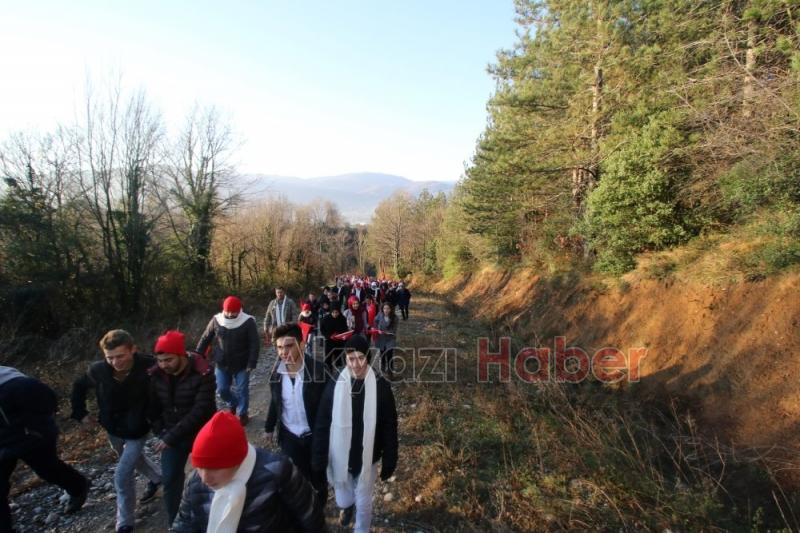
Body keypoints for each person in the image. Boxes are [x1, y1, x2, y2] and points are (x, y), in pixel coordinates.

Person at [70, 329, 162, 533]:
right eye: (110, 357)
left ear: (133, 350)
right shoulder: (98, 370)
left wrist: (159, 421)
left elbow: (167, 387)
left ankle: (125, 523)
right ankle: (158, 478)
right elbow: (79, 386)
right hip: (112, 426)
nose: (115, 362)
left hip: (139, 427)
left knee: (122, 474)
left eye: (120, 356)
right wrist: (81, 413)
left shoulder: (149, 366)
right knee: (132, 459)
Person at [171, 411, 325, 532]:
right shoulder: (194, 483)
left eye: (215, 468)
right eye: (199, 467)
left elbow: (310, 515)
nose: (205, 478)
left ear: (238, 460)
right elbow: (183, 525)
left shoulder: (277, 471)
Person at [312, 336, 398, 532]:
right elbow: (323, 421)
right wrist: (318, 454)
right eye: (351, 358)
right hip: (340, 454)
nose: (356, 364)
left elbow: (389, 425)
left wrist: (390, 457)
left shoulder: (381, 387)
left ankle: (361, 528)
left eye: (360, 357)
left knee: (364, 501)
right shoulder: (335, 383)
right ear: (345, 358)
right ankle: (346, 505)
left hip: (369, 455)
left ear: (368, 357)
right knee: (343, 494)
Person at [1, 366, 89, 532]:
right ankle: (78, 486)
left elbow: (42, 395)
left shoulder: (15, 385)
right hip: (20, 422)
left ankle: (78, 486)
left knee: (45, 465)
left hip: (24, 418)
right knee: (45, 465)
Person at [148, 330, 217, 527]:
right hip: (171, 435)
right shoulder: (156, 375)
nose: (163, 365)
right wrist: (160, 431)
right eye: (160, 361)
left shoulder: (204, 373)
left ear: (182, 355)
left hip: (201, 434)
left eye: (168, 360)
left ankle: (213, 520)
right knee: (170, 480)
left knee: (211, 479)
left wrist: (169, 436)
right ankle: (176, 524)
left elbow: (201, 410)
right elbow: (152, 408)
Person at [264, 323, 330, 508]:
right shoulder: (276, 374)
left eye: (289, 346)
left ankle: (320, 506)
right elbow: (275, 401)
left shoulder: (319, 371)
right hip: (289, 436)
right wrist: (269, 427)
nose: (283, 352)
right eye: (279, 347)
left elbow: (329, 409)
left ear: (301, 345)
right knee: (297, 479)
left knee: (318, 476)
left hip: (314, 436)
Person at [196, 296, 260, 426]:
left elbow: (254, 343)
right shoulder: (216, 320)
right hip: (222, 363)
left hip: (242, 363)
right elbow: (205, 338)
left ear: (239, 310)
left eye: (233, 312)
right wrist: (197, 355)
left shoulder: (248, 322)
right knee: (221, 389)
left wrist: (252, 362)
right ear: (223, 310)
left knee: (242, 389)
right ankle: (233, 402)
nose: (230, 314)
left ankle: (242, 414)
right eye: (228, 311)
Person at [373, 303, 399, 377]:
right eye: (385, 308)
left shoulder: (395, 318)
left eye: (388, 308)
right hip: (381, 338)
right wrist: (377, 330)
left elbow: (395, 329)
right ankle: (383, 367)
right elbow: (375, 321)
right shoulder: (380, 315)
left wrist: (389, 332)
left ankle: (390, 372)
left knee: (389, 355)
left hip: (390, 338)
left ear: (391, 309)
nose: (386, 310)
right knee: (382, 353)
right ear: (382, 309)